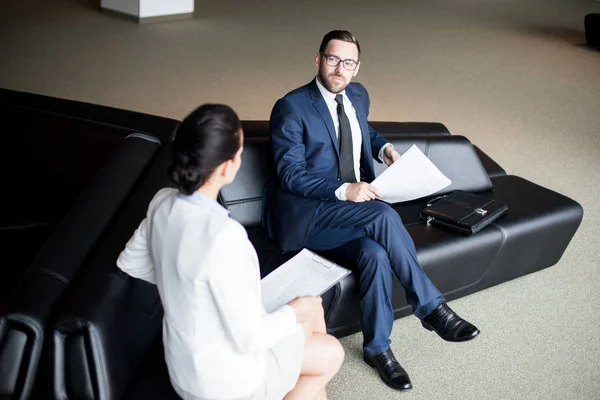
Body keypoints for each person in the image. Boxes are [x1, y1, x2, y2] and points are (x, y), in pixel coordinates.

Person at [266, 30, 480, 391]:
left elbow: (360, 128)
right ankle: (430, 307)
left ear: (357, 66)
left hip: (349, 214)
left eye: (348, 62)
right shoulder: (291, 107)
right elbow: (289, 174)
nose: (340, 69)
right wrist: (344, 189)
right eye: (333, 59)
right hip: (309, 214)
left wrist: (384, 150)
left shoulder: (358, 94)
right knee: (382, 215)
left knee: (376, 254)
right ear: (318, 59)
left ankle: (378, 348)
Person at [116, 104, 344, 400]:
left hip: (184, 368)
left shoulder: (162, 201)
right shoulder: (225, 236)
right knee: (330, 352)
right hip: (228, 382)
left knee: (313, 309)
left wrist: (187, 287)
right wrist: (294, 310)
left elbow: (130, 262)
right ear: (227, 167)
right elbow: (250, 339)